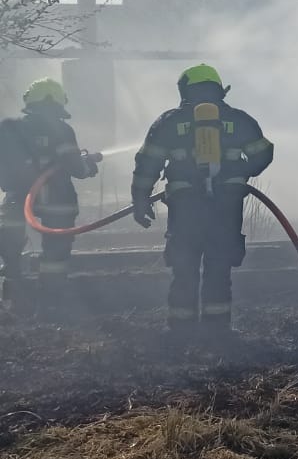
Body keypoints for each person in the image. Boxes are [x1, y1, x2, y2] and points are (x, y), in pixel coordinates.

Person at [132, 64, 274, 332]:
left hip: (185, 205)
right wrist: (242, 171)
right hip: (226, 205)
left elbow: (147, 163)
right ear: (219, 89)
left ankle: (181, 328)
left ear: (185, 89)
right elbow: (264, 153)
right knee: (219, 266)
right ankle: (217, 329)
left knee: (184, 266)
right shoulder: (239, 120)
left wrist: (140, 199)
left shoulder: (169, 121)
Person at [0, 78, 100, 314]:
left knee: (9, 251)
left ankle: (15, 300)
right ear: (59, 103)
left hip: (16, 198)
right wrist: (89, 167)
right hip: (58, 200)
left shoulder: (9, 128)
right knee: (55, 254)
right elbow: (76, 167)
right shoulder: (62, 129)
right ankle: (50, 303)